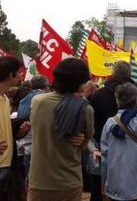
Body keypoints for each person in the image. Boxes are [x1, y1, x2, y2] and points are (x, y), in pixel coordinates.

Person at [28, 58, 94, 201]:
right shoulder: (85, 109)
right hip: (69, 181)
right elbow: (83, 146)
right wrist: (81, 139)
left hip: (39, 180)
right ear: (80, 84)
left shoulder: (37, 102)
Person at [90, 61, 137, 201]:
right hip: (133, 150)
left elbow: (93, 122)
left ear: (112, 73)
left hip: (103, 147)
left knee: (99, 185)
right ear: (129, 74)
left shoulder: (99, 94)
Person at [16, 75, 49, 176]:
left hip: (28, 146)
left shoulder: (24, 100)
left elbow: (20, 120)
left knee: (30, 180)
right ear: (46, 86)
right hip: (46, 147)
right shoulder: (49, 99)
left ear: (30, 85)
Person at [0, 56, 22, 180]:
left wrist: (19, 131)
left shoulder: (6, 99)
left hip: (6, 163)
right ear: (10, 75)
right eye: (18, 73)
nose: (20, 76)